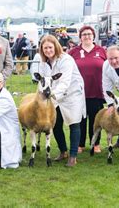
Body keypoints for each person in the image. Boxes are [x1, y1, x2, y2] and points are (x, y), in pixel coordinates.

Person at [39, 35, 85, 167]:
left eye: (50, 47)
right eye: (45, 48)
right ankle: (63, 151)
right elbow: (42, 81)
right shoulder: (44, 63)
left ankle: (73, 156)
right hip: (54, 95)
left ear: (56, 46)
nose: (48, 50)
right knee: (55, 123)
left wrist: (50, 94)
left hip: (72, 94)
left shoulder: (66, 60)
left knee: (74, 123)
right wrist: (41, 95)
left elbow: (65, 83)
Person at [67, 26, 106, 154]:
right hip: (78, 92)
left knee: (96, 120)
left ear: (93, 36)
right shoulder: (74, 52)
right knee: (80, 119)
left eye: (89, 34)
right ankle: (80, 143)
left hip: (96, 91)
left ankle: (95, 143)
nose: (87, 36)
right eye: (84, 34)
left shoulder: (101, 51)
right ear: (80, 37)